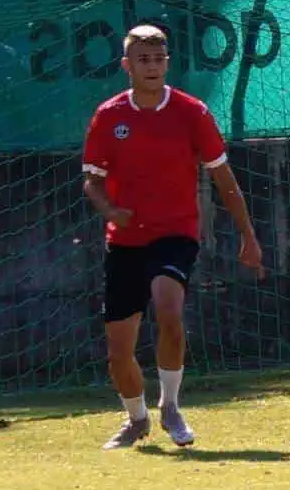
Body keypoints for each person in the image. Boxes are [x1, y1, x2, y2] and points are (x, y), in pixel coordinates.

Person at [82, 24, 263, 450]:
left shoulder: (191, 112)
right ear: (126, 65)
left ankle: (171, 407)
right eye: (143, 59)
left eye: (158, 59)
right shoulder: (109, 115)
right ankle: (136, 419)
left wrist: (248, 235)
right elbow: (91, 180)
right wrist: (109, 210)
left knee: (169, 311)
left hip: (175, 233)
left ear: (168, 63)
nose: (152, 66)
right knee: (119, 349)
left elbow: (224, 177)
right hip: (125, 240)